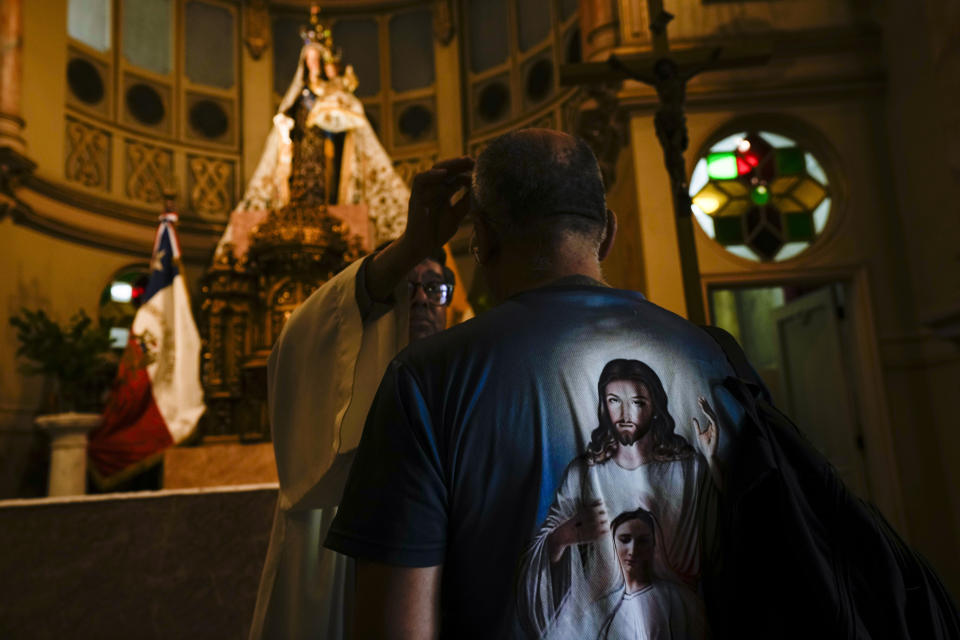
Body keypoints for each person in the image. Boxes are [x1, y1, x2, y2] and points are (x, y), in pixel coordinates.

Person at [324, 128, 748, 638]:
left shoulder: (427, 379)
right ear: (607, 233)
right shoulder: (715, 359)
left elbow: (395, 626)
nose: (625, 413)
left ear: (480, 238)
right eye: (612, 401)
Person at [248, 157, 472, 640]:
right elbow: (302, 341)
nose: (419, 300)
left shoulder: (470, 374)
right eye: (405, 287)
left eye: (434, 288)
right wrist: (411, 247)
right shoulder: (355, 373)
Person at [518, 359, 721, 637]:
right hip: (598, 623)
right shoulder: (583, 474)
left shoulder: (687, 468)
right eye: (614, 401)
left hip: (676, 620)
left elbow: (725, 534)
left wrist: (713, 463)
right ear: (603, 407)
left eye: (637, 402)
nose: (624, 413)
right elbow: (541, 553)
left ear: (656, 409)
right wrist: (567, 534)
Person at [215, 12, 408, 262]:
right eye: (309, 59)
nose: (313, 64)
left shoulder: (332, 91)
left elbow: (347, 121)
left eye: (317, 58)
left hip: (325, 145)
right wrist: (286, 127)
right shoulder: (299, 94)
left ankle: (323, 206)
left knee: (327, 176)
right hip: (302, 149)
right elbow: (288, 119)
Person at [597, 508, 707, 640]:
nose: (633, 550)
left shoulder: (677, 597)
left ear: (654, 544)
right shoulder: (604, 606)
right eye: (625, 540)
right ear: (613, 544)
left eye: (643, 541)